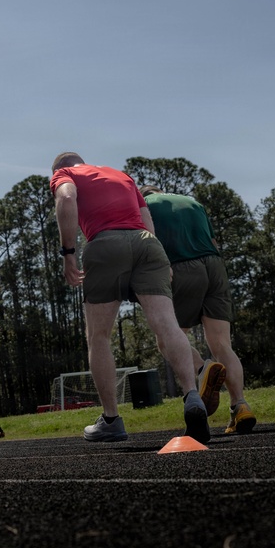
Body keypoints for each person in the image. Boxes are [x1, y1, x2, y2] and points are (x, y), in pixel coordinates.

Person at [50, 152, 210, 443]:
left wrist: (68, 253)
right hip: (147, 243)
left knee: (98, 336)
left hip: (105, 243)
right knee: (167, 324)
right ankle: (192, 395)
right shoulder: (120, 174)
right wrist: (157, 258)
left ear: (59, 168)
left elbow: (67, 199)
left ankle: (111, 419)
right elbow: (145, 216)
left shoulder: (65, 175)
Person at [140, 185, 256, 434]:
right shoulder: (191, 201)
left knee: (167, 337)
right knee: (222, 344)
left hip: (180, 266)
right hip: (214, 265)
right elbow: (213, 241)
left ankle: (203, 370)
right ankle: (240, 406)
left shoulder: (144, 206)